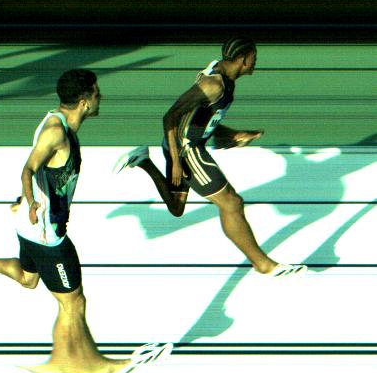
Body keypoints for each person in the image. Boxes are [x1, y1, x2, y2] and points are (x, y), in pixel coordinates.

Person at [0, 69, 172, 373]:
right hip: (45, 233)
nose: (101, 97)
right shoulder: (56, 133)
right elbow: (28, 169)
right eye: (97, 92)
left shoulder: (59, 122)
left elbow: (41, 171)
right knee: (72, 303)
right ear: (85, 102)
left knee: (29, 279)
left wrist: (26, 202)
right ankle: (87, 364)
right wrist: (30, 201)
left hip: (28, 226)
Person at [113, 37, 306, 278]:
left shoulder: (225, 76)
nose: (256, 61)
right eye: (254, 57)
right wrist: (176, 161)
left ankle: (144, 161)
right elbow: (170, 116)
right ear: (243, 59)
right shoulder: (214, 84)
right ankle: (263, 264)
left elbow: (202, 118)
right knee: (231, 203)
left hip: (186, 144)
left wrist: (232, 134)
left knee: (176, 207)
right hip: (186, 149)